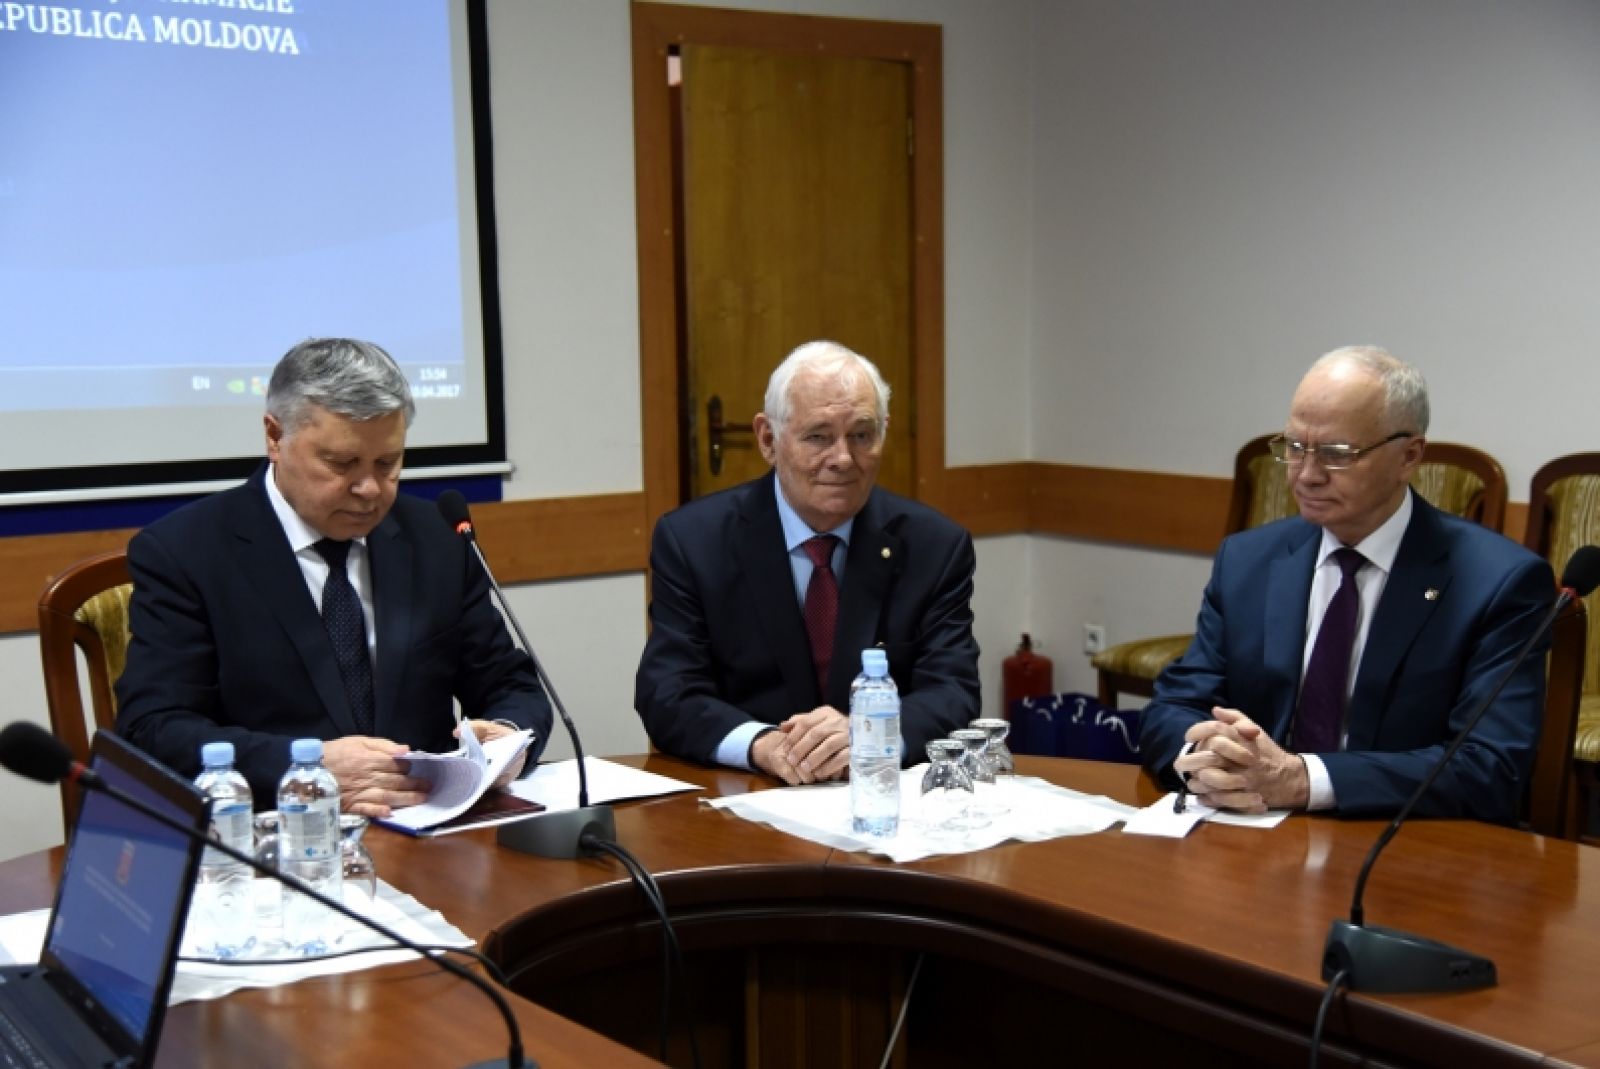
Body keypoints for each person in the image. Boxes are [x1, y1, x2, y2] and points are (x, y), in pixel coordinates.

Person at [116, 338, 552, 816]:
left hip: (427, 823)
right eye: (341, 464)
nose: (369, 489)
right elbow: (154, 728)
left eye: (387, 464)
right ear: (274, 437)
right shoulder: (186, 551)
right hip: (276, 830)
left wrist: (507, 740)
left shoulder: (436, 538)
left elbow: (511, 685)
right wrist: (306, 768)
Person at [1139, 346, 1554, 823]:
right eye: (1295, 448)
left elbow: (1490, 765)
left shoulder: (1498, 582)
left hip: (1399, 836)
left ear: (1409, 456)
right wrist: (1207, 759)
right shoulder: (1248, 560)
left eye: (1337, 454)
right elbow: (1176, 704)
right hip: (1250, 826)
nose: (1307, 475)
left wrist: (1302, 781)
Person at [635, 340, 981, 784]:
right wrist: (763, 745)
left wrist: (869, 735)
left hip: (880, 792)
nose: (843, 459)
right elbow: (668, 693)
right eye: (818, 436)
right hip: (749, 791)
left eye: (862, 435)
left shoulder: (934, 546)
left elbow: (953, 691)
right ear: (768, 440)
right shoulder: (693, 541)